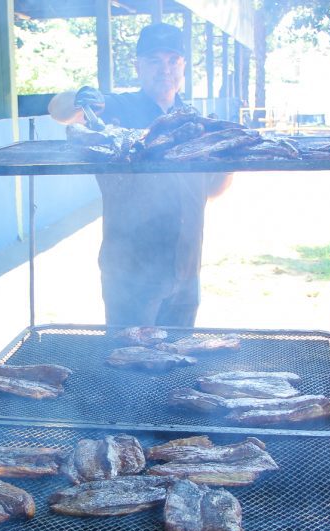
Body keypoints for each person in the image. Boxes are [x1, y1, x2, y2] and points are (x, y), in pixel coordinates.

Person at [48, 22, 231, 327]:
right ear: (138, 66)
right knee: (128, 364)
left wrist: (229, 160)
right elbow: (58, 111)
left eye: (173, 60)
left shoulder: (195, 120)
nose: (165, 69)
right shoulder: (115, 106)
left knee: (180, 361)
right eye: (154, 61)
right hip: (130, 270)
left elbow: (211, 190)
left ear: (183, 66)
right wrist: (81, 96)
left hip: (185, 268)